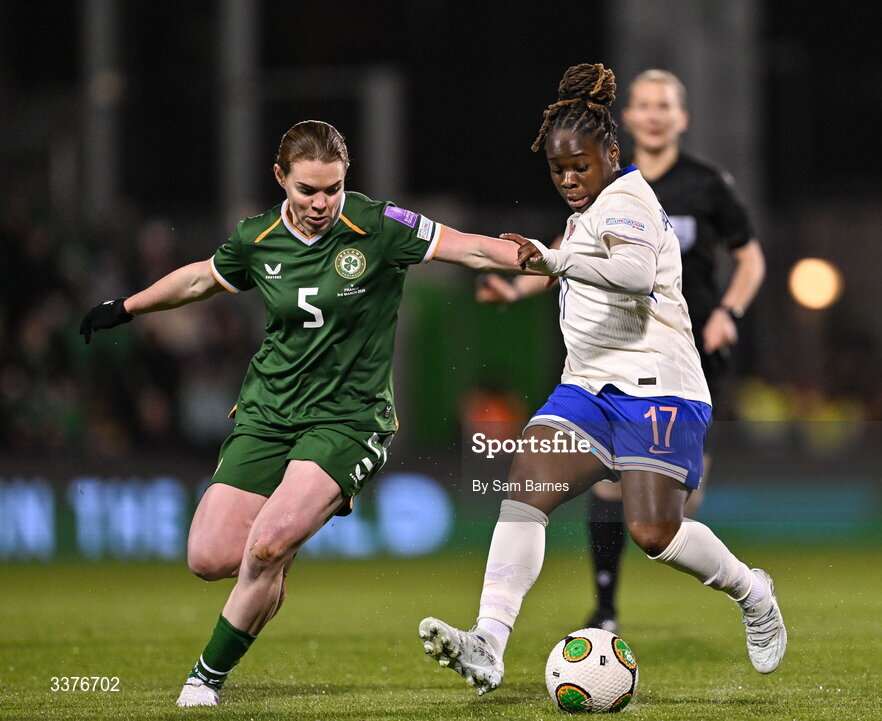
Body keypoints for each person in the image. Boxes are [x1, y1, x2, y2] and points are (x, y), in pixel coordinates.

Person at [79, 120, 538, 707]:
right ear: (281, 179)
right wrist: (125, 307)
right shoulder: (256, 237)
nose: (321, 203)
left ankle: (204, 680)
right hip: (268, 412)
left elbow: (471, 247)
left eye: (332, 189)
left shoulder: (378, 225)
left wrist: (548, 259)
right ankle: (279, 557)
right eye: (307, 191)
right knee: (209, 557)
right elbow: (200, 279)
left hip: (348, 421)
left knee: (266, 546)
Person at [418, 63, 785, 698]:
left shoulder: (629, 200)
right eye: (558, 170)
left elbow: (636, 274)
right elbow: (570, 267)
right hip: (587, 387)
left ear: (611, 154)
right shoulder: (586, 212)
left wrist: (554, 258)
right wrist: (523, 276)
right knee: (525, 488)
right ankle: (489, 642)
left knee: (653, 533)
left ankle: (753, 592)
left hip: (659, 387)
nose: (568, 179)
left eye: (580, 166)